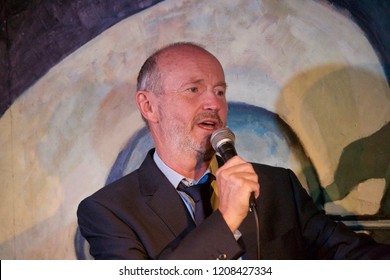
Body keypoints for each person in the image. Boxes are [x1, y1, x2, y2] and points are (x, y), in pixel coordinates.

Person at [77, 42, 390, 259]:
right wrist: (226, 219)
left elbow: (349, 253)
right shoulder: (107, 211)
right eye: (193, 89)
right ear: (149, 106)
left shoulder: (278, 186)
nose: (214, 103)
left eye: (220, 91)